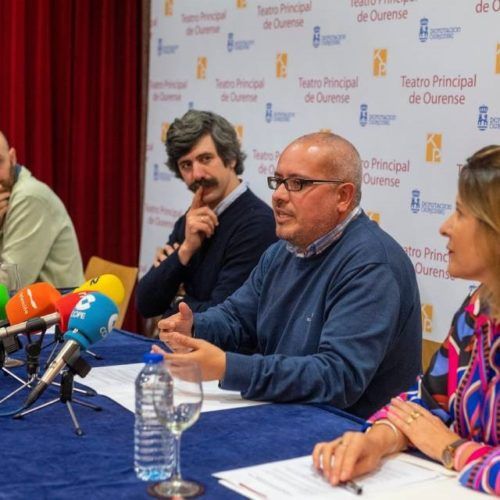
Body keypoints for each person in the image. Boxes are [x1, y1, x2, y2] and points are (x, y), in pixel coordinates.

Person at [154, 132, 422, 418]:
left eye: (297, 183)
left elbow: (337, 378)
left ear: (343, 196)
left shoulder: (371, 265)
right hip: (288, 414)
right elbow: (238, 318)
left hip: (351, 434)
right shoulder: (283, 251)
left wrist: (227, 367)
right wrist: (194, 328)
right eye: (278, 181)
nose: (279, 195)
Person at [313, 145, 500, 495]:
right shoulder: (480, 308)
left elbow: (436, 435)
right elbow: (429, 398)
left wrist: (451, 449)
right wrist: (377, 440)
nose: (445, 228)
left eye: (460, 213)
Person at [136, 110, 276, 319]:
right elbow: (146, 304)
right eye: (186, 165)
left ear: (230, 159)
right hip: (180, 346)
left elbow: (222, 317)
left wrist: (175, 302)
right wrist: (185, 250)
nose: (197, 175)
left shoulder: (257, 224)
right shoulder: (191, 219)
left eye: (206, 159)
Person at [0, 131, 84, 288]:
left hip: (56, 311)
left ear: (12, 158)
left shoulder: (29, 197)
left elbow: (10, 285)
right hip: (30, 309)